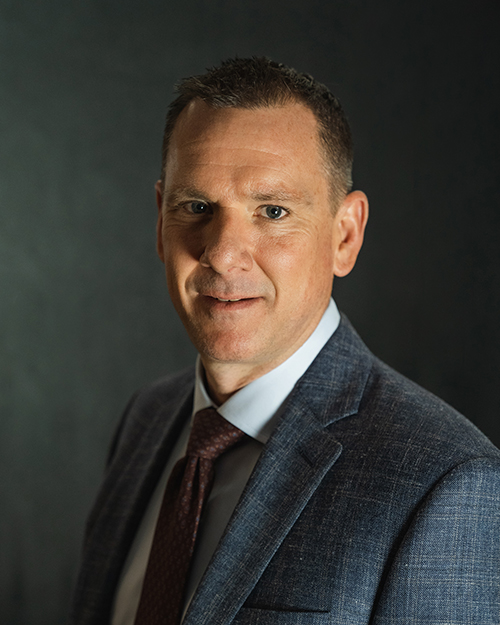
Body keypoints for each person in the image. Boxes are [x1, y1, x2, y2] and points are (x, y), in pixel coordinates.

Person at [71, 57, 500, 625]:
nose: (222, 253)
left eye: (273, 211)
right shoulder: (146, 421)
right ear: (159, 221)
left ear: (344, 236)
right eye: (196, 208)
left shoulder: (448, 486)